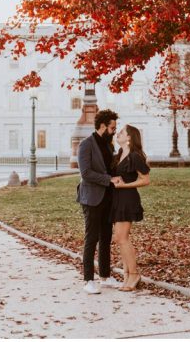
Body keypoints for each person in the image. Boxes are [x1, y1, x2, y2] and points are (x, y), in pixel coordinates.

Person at [76, 109, 122, 294]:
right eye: (112, 127)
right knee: (91, 238)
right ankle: (88, 279)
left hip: (108, 198)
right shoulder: (85, 145)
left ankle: (105, 276)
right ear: (102, 126)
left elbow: (110, 168)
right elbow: (85, 173)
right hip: (91, 198)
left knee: (106, 238)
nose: (114, 130)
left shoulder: (109, 145)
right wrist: (108, 180)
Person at [111, 124, 151, 292]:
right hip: (117, 199)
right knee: (119, 239)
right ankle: (127, 274)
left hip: (127, 199)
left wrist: (125, 185)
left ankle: (134, 274)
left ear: (129, 138)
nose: (117, 133)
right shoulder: (119, 154)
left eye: (121, 132)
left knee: (122, 238)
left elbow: (145, 179)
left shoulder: (134, 156)